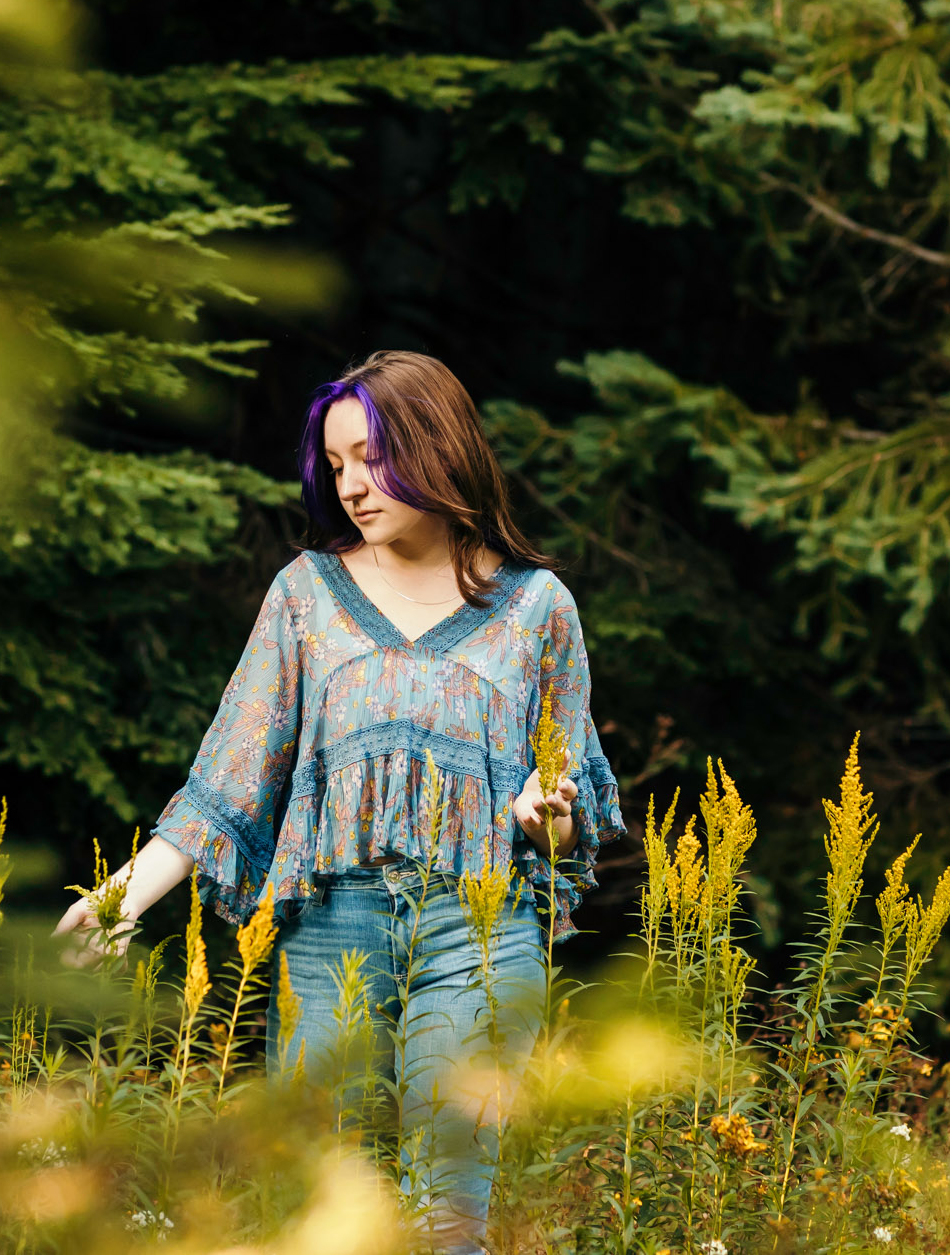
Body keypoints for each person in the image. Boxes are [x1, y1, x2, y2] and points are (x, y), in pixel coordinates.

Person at [52, 350, 626, 1252]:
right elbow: (231, 776)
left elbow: (567, 802)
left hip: (479, 925)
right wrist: (118, 894)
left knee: (451, 1205)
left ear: (437, 447)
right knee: (325, 1197)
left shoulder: (536, 607)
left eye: (371, 458)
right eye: (337, 464)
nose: (351, 484)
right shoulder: (306, 595)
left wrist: (545, 817)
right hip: (330, 924)